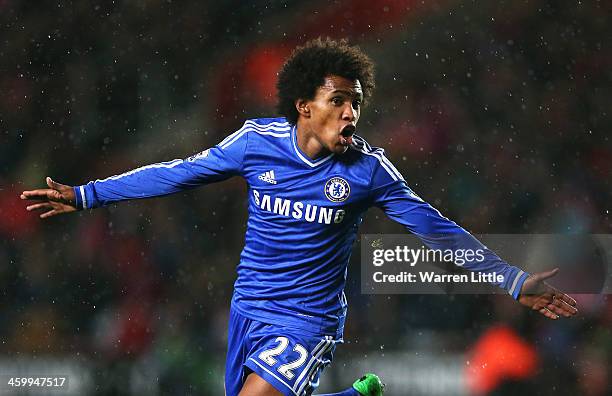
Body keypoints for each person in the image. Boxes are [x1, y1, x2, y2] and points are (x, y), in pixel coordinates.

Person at [21, 38, 578, 396]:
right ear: (303, 105)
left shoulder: (369, 171)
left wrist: (512, 279)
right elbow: (176, 173)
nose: (352, 112)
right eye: (339, 100)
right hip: (248, 310)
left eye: (357, 101)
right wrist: (87, 195)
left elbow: (434, 229)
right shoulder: (254, 144)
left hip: (307, 322)